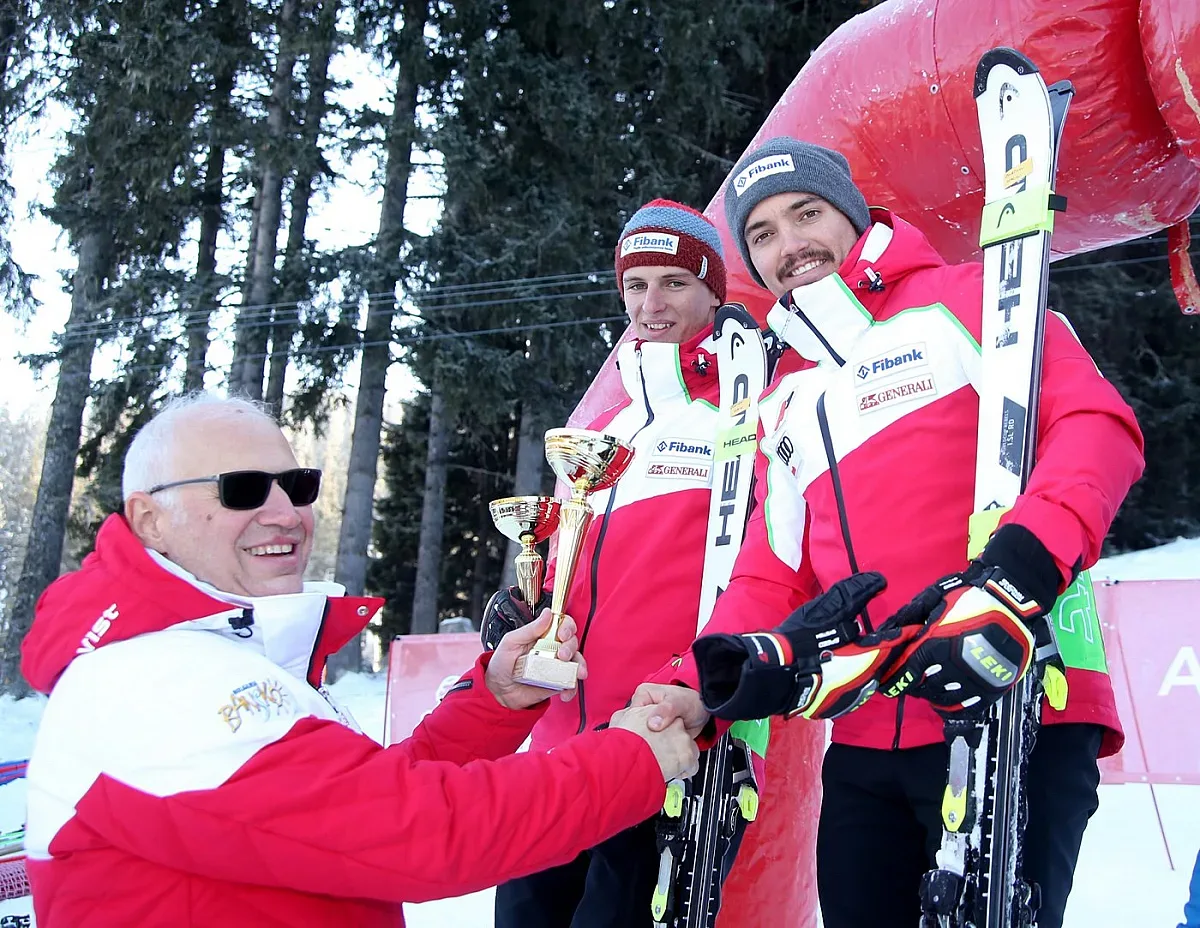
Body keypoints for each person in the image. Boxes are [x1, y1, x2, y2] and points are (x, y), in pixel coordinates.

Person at [633, 137, 1146, 928]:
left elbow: (1097, 427)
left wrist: (1020, 569)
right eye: (763, 233)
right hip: (868, 728)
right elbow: (772, 571)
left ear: (851, 214)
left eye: (806, 214)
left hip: (1014, 693)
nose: (789, 244)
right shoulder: (784, 397)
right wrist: (705, 677)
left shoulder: (966, 299)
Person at [19, 393, 700, 928]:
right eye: (241, 489)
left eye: (297, 485)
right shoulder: (150, 677)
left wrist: (493, 701)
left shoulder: (210, 650)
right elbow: (421, 833)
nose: (285, 513)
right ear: (149, 519)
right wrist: (632, 759)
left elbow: (357, 798)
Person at [489, 199, 740, 928]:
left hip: (657, 739)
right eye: (636, 285)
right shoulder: (603, 431)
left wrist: (695, 693)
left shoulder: (741, 416)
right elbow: (568, 576)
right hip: (556, 747)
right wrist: (529, 612)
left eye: (674, 283)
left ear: (713, 292)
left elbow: (759, 576)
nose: (651, 304)